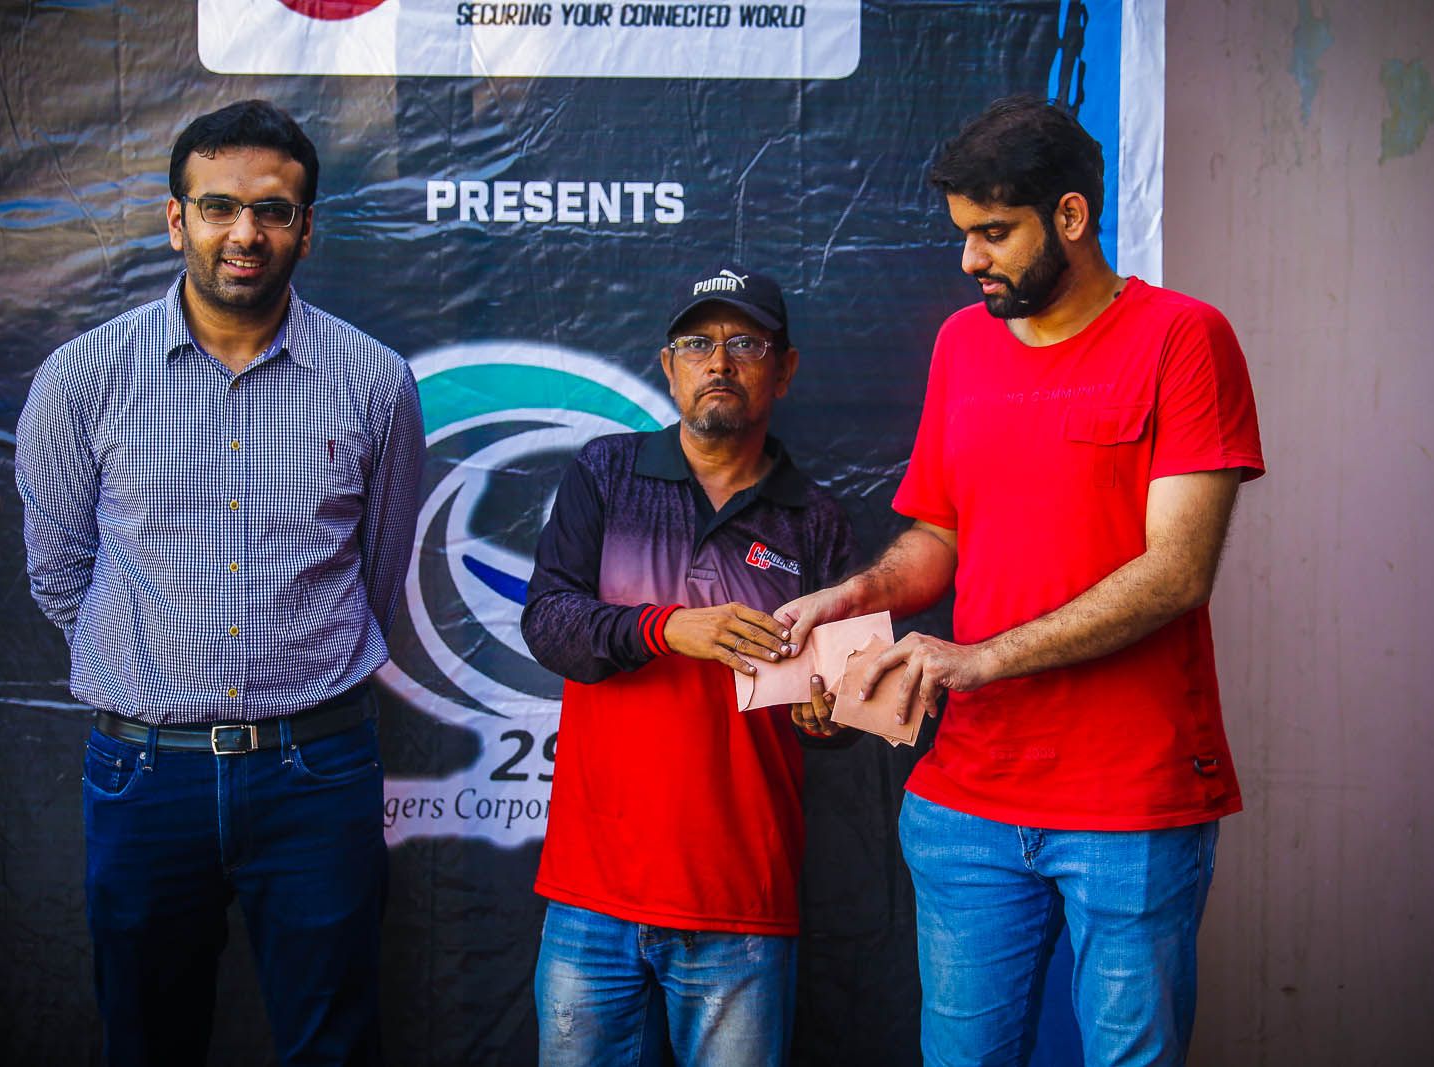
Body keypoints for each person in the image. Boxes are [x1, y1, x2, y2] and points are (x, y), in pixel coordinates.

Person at [777, 96, 1265, 1066]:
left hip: (1130, 804)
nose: (970, 259)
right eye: (963, 234)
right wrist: (853, 597)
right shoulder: (962, 343)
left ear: (1071, 216)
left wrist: (977, 658)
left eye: (994, 232)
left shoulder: (1183, 338)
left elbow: (1176, 572)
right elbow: (939, 534)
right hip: (967, 802)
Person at [14, 99, 423, 1066]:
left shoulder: (374, 382)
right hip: (145, 772)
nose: (246, 232)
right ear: (177, 220)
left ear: (306, 229)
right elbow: (60, 573)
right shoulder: (82, 379)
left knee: (335, 1045)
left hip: (317, 769)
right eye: (219, 207)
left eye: (273, 210)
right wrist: (153, 666)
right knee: (146, 1042)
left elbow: (379, 569)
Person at [521, 266, 854, 1066]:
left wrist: (828, 714)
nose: (720, 362)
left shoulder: (814, 519)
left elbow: (840, 708)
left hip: (740, 901)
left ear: (785, 368)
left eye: (747, 344)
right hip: (592, 894)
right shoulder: (606, 474)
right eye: (698, 344)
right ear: (669, 366)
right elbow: (549, 623)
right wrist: (670, 628)